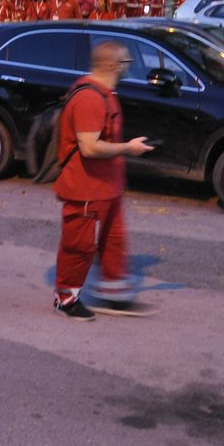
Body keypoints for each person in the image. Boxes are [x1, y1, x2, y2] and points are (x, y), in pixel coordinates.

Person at [52, 41, 154, 320]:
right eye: (125, 63)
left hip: (105, 187)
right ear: (111, 65)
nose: (128, 68)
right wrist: (128, 148)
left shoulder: (104, 93)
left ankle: (114, 294)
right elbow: (89, 147)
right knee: (80, 246)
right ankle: (66, 300)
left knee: (113, 241)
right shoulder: (90, 98)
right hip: (86, 188)